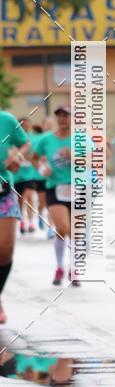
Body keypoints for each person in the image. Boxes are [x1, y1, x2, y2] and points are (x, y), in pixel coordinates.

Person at [35, 105, 78, 287]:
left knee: (75, 232)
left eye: (66, 115)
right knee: (62, 226)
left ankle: (73, 269)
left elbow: (99, 157)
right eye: (59, 116)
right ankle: (60, 265)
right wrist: (42, 169)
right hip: (55, 187)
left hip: (78, 187)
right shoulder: (46, 139)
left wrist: (74, 156)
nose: (62, 119)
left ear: (72, 118)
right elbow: (34, 157)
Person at [0, 109, 29, 324]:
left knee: (5, 250)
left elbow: (25, 143)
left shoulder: (7, 119)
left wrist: (17, 155)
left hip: (3, 189)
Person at [12, 119, 39, 235]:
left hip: (30, 174)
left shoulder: (32, 138)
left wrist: (30, 157)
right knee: (20, 200)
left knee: (29, 196)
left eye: (26, 124)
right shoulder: (14, 138)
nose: (24, 127)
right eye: (22, 125)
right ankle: (23, 222)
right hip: (17, 175)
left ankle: (32, 222)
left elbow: (35, 154)